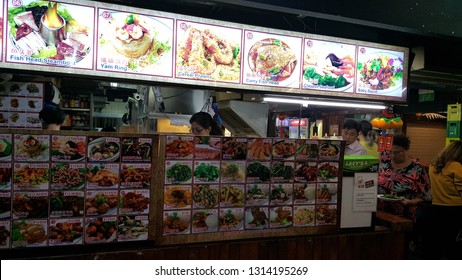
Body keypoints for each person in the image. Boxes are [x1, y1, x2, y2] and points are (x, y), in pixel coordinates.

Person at [377, 134, 431, 256]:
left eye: (397, 152)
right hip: (381, 213)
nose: (392, 156)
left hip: (404, 215)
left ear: (406, 150)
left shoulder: (416, 168)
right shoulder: (384, 162)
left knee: (400, 250)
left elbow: (426, 195)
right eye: (390, 152)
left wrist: (410, 202)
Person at [428, 141, 462, 259]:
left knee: (439, 242)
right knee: (453, 244)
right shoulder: (456, 166)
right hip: (455, 209)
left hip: (436, 207)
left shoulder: (433, 165)